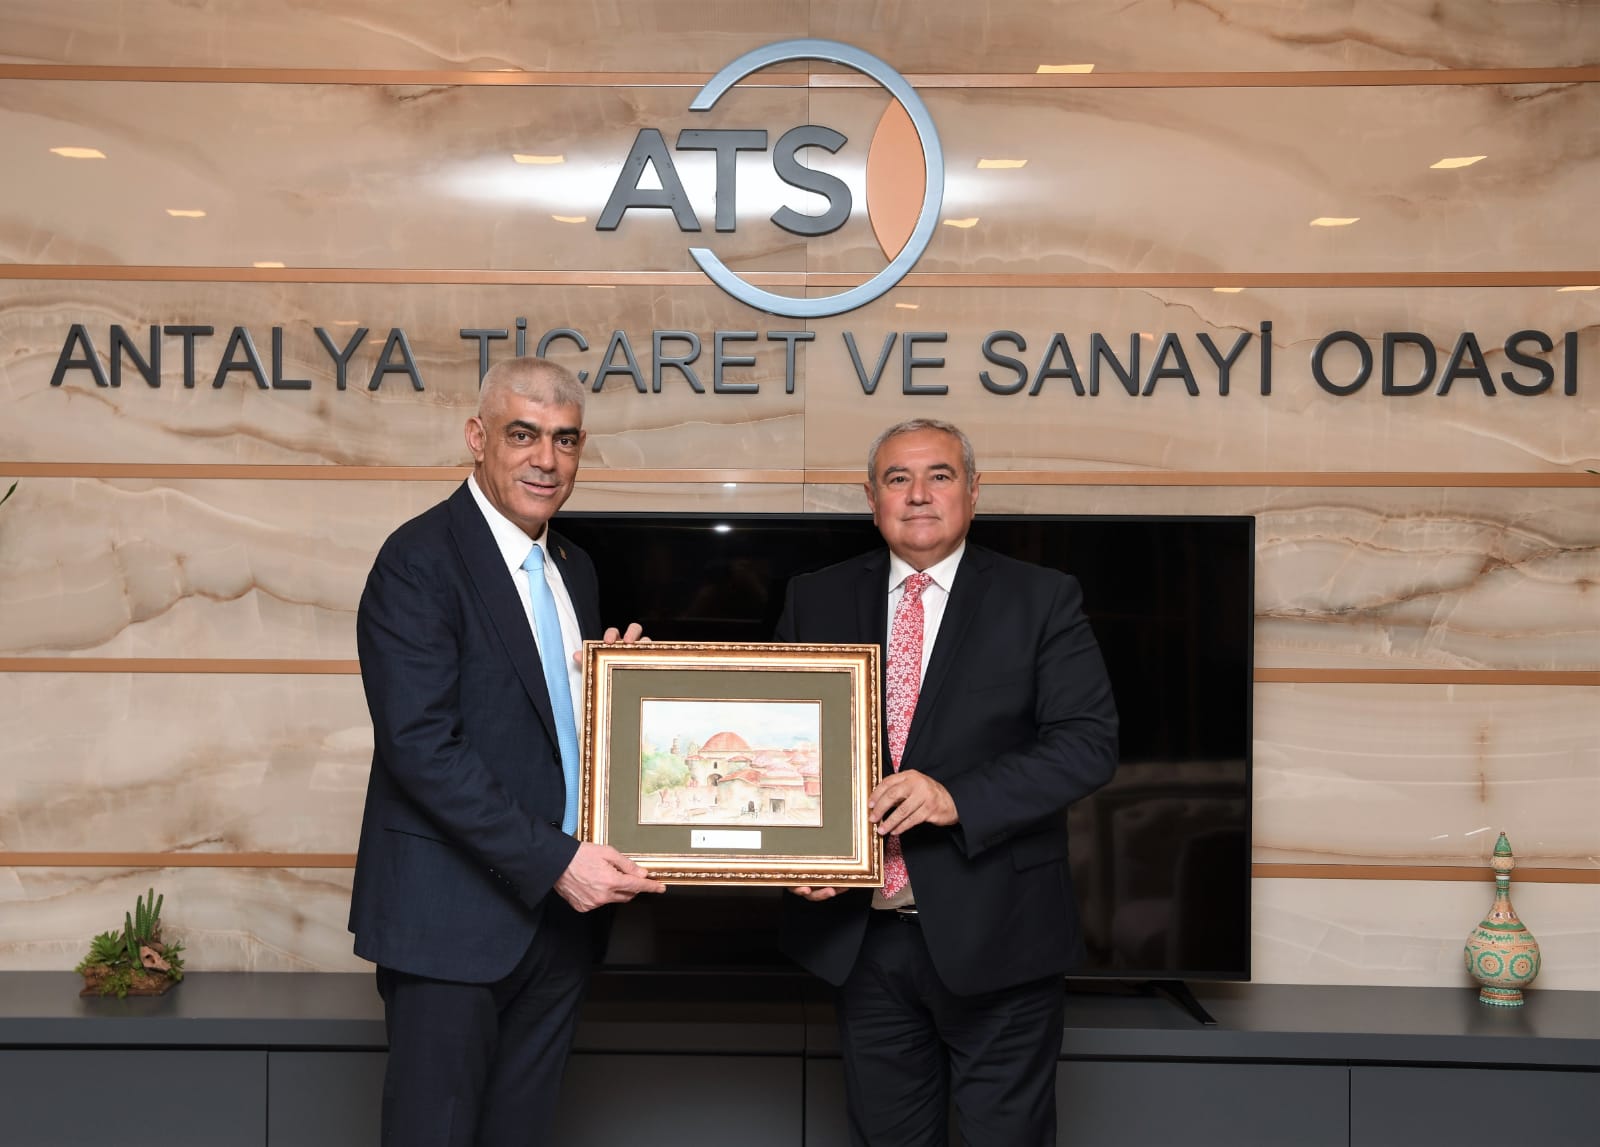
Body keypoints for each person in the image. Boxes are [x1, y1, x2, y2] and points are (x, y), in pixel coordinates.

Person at [348, 356, 664, 1146]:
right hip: (451, 924)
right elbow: (422, 746)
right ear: (477, 436)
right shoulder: (419, 559)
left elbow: (543, 726)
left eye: (565, 439)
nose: (546, 459)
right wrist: (558, 860)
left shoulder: (574, 568)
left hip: (557, 930)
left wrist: (623, 689)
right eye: (523, 435)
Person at [776, 418, 1118, 1147]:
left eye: (940, 475)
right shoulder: (816, 597)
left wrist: (955, 798)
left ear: (973, 491)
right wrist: (798, 852)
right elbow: (788, 742)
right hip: (863, 943)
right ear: (872, 498)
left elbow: (1087, 746)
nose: (918, 494)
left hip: (1001, 933)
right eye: (898, 479)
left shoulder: (1040, 598)